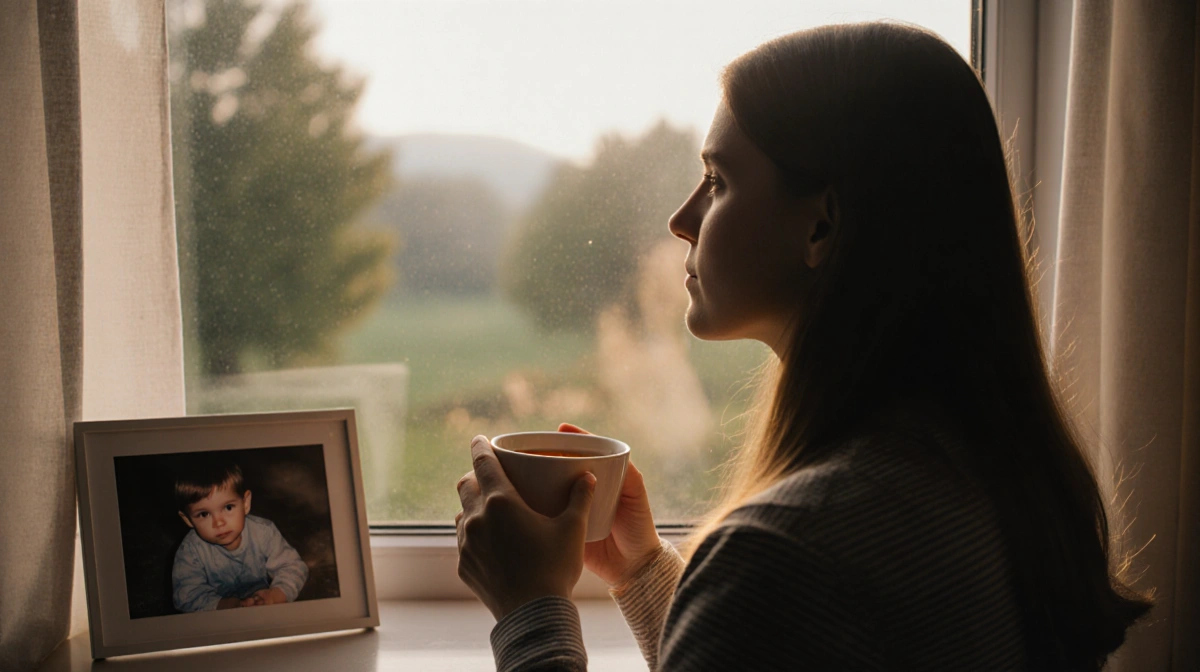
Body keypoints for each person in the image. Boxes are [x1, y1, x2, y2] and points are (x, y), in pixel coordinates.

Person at [454, 22, 1152, 671]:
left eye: (718, 181)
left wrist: (530, 609)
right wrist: (642, 573)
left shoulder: (787, 551)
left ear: (822, 227)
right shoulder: (992, 475)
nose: (681, 219)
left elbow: (783, 599)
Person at [172, 461, 309, 612]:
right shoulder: (191, 551)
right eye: (204, 514)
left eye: (228, 507)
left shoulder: (263, 532)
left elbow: (293, 566)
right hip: (220, 616)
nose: (219, 523)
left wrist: (276, 595)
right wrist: (227, 606)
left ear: (245, 503)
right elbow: (186, 596)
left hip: (265, 606)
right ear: (187, 519)